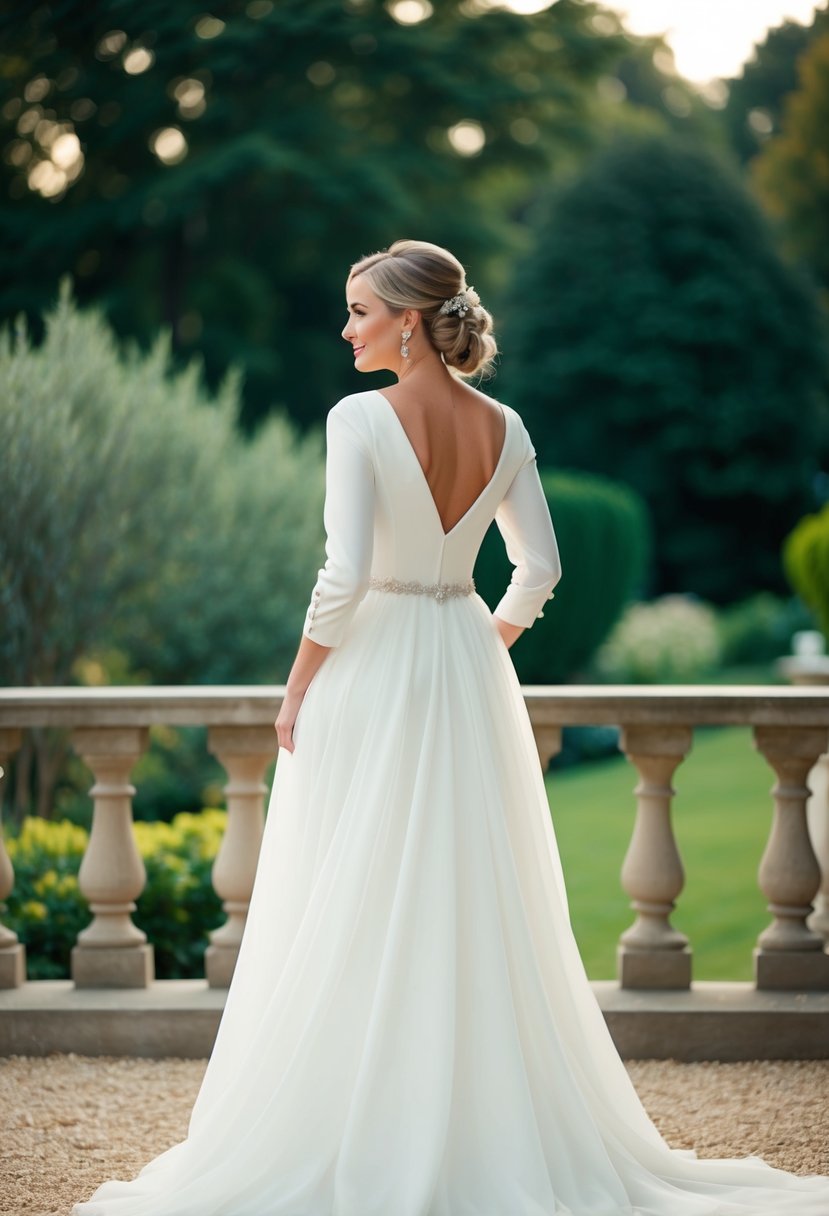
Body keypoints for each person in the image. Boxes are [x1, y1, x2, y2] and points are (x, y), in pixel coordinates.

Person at [73, 239, 829, 1215]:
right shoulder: (505, 427)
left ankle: (358, 1125)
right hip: (466, 669)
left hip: (374, 665)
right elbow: (540, 568)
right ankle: (471, 1125)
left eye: (358, 312)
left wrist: (296, 686)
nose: (346, 330)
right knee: (465, 892)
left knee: (350, 891)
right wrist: (477, 642)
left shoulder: (358, 419)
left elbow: (342, 576)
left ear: (408, 321)